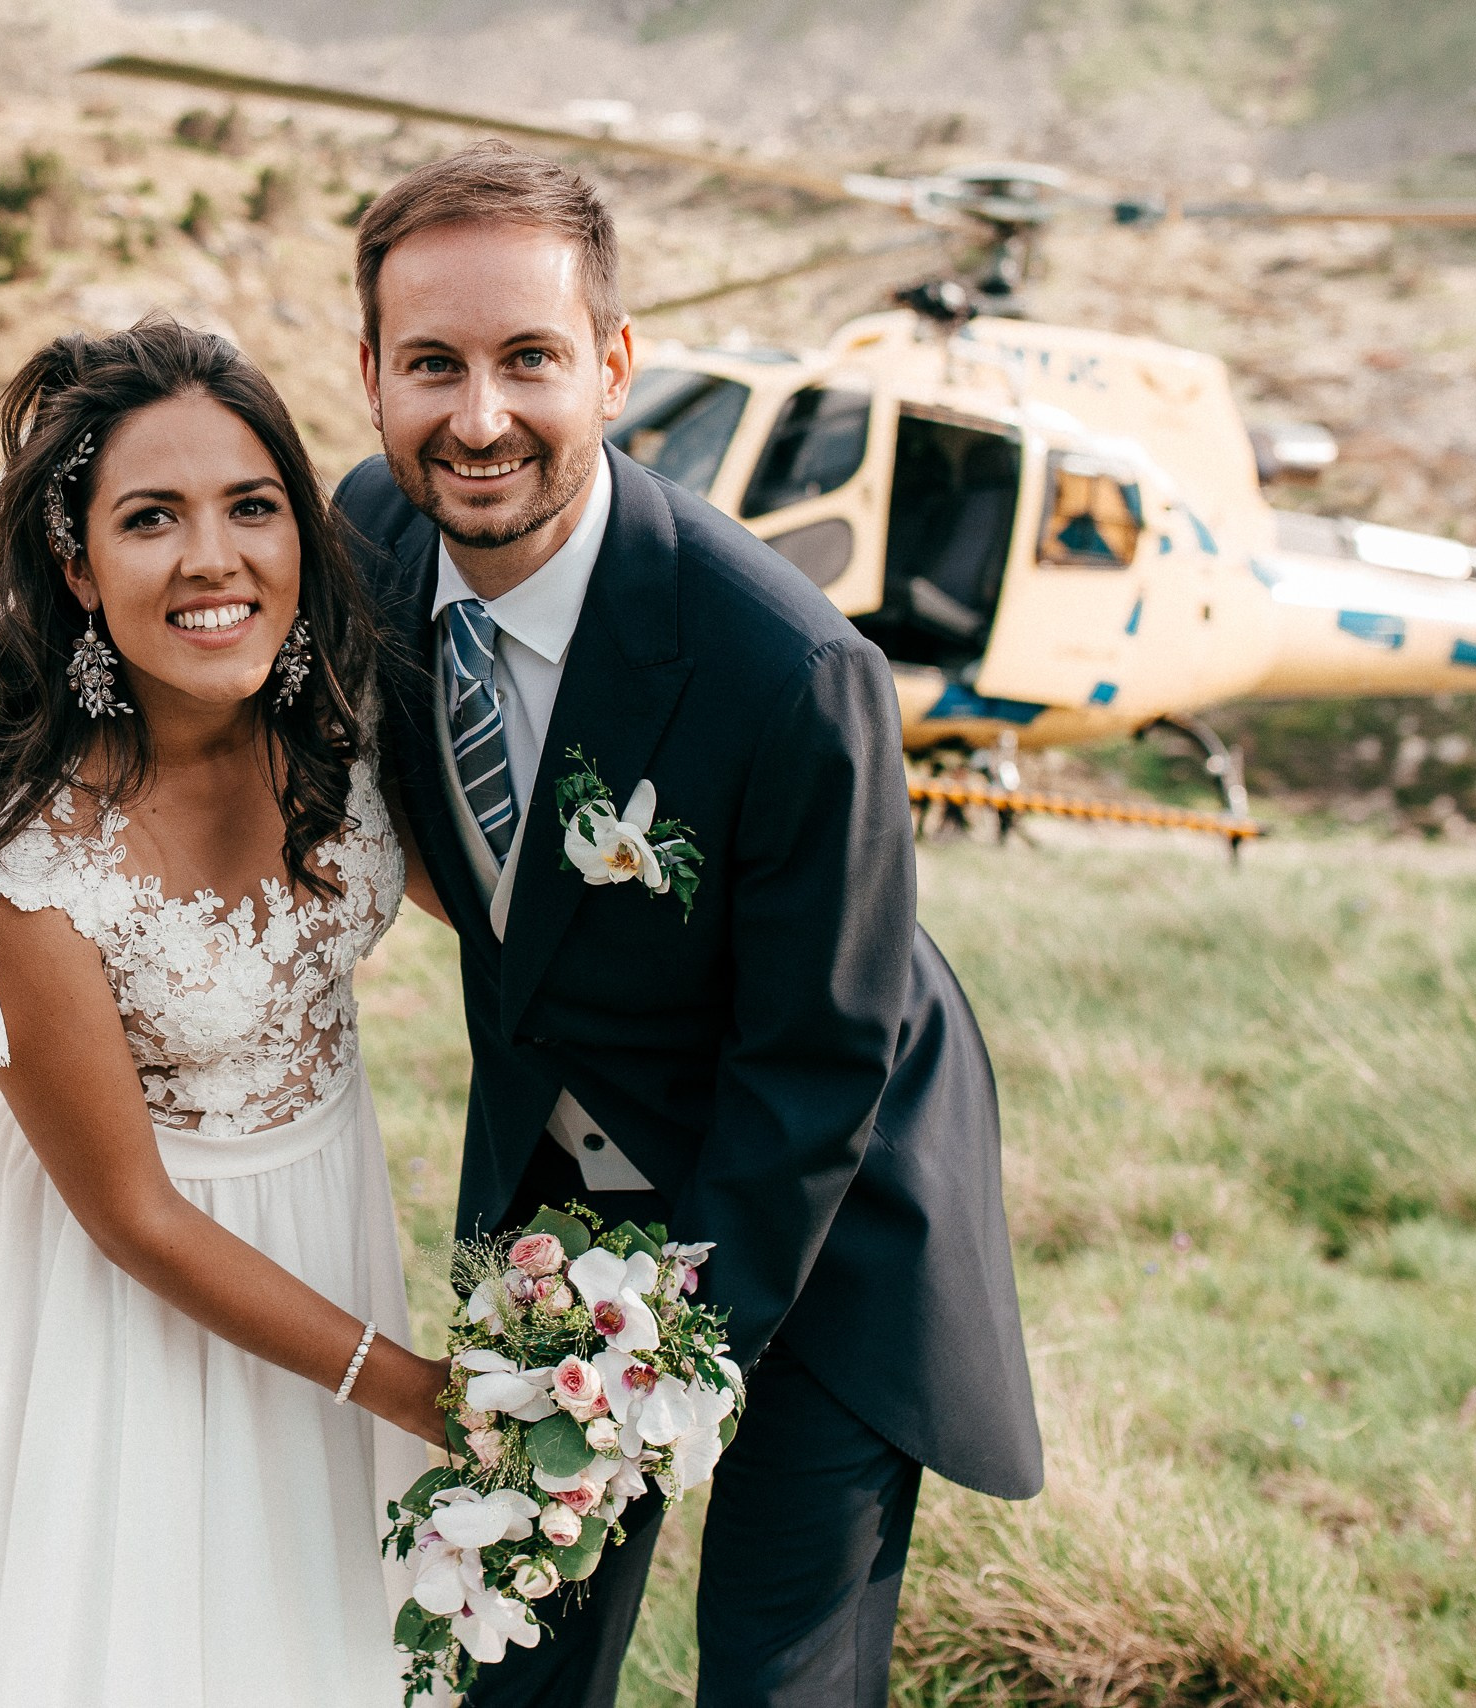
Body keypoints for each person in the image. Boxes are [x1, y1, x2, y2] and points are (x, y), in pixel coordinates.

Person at [335, 143, 1044, 1708]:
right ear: (369, 372)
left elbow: (818, 1059)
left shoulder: (785, 669)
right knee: (503, 1655)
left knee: (778, 1680)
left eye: (530, 358)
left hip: (828, 1190)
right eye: (433, 364)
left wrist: (651, 1375)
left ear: (615, 366)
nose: (480, 417)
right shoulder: (369, 541)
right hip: (561, 1179)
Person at [0, 317, 450, 1708]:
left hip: (330, 1243)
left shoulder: (328, 728)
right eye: (151, 519)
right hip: (138, 1329)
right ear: (77, 566)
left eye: (251, 507)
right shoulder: (33, 867)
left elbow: (486, 908)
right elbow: (132, 1213)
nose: (213, 558)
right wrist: (408, 1388)